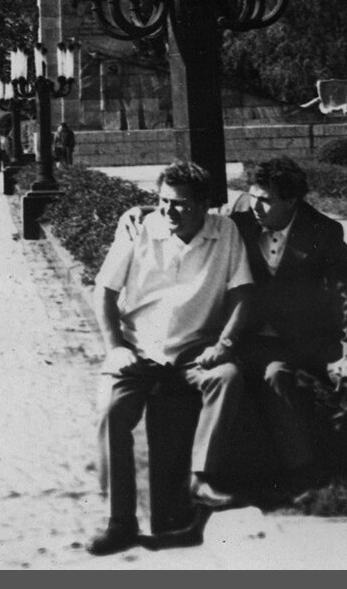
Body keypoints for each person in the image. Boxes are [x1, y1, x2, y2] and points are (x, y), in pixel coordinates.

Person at [85, 160, 257, 556]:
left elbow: (243, 293)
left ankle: (200, 478)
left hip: (195, 349)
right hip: (137, 347)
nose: (168, 211)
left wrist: (225, 344)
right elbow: (104, 291)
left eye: (179, 203)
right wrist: (115, 347)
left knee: (226, 378)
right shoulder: (139, 228)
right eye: (162, 201)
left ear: (204, 205)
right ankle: (120, 523)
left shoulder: (225, 232)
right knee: (111, 410)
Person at [227, 156, 347, 511]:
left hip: (313, 336)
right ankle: (304, 473)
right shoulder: (238, 218)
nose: (255, 206)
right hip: (264, 341)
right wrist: (140, 213)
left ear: (291, 200)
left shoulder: (322, 230)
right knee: (275, 376)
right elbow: (191, 214)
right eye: (252, 196)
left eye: (265, 199)